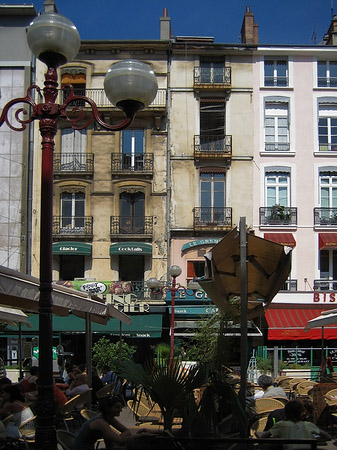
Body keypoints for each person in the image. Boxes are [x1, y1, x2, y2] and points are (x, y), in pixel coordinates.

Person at [74, 395, 153, 450]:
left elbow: (126, 431)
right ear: (108, 408)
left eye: (120, 407)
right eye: (117, 407)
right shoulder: (100, 422)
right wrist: (140, 435)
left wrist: (119, 439)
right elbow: (120, 440)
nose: (121, 410)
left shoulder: (108, 418)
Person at [256, 400, 331, 449]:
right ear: (301, 413)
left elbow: (263, 437)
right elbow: (328, 437)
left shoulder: (281, 425)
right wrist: (312, 439)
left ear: (285, 412)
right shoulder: (308, 425)